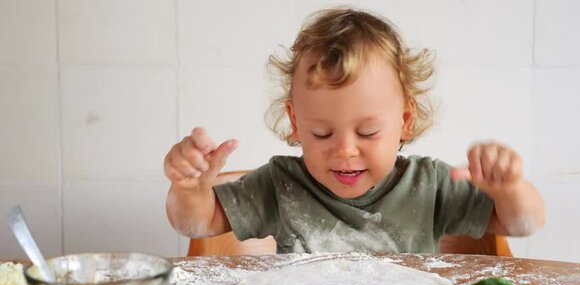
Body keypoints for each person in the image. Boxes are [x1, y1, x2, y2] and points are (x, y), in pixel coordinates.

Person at [163, 7, 545, 253]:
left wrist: (510, 189)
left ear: (405, 122)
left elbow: (522, 223)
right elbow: (196, 222)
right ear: (296, 122)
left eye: (367, 133)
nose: (345, 149)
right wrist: (189, 189)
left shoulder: (429, 185)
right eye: (322, 134)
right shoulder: (281, 185)